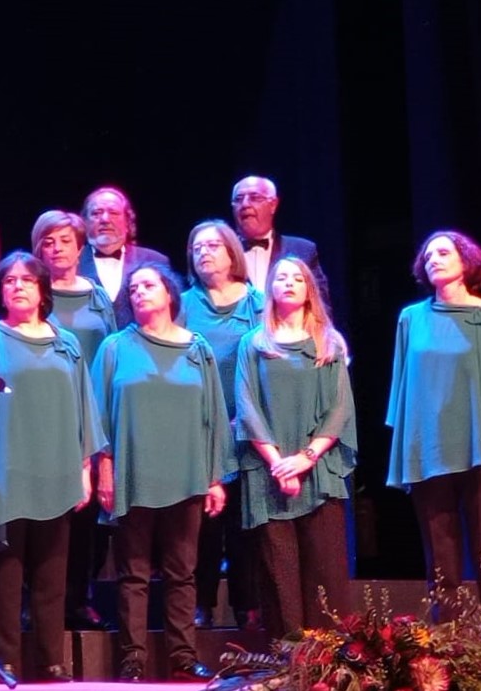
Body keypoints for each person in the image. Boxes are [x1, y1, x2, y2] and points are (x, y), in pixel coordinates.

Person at [0, 252, 105, 683]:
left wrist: (85, 468)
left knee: (52, 572)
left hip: (57, 467)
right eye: (9, 281)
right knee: (6, 571)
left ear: (43, 290)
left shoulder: (67, 344)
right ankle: (3, 658)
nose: (18, 286)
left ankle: (51, 659)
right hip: (7, 470)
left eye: (26, 280)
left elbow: (84, 407)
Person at [92, 263, 232, 682]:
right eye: (133, 288)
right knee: (133, 572)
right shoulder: (115, 348)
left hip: (186, 473)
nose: (139, 292)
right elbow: (97, 415)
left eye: (148, 285)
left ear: (170, 294)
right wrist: (104, 468)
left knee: (182, 572)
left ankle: (183, 658)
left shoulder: (198, 349)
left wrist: (214, 477)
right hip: (134, 472)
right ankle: (132, 658)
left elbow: (214, 415)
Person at [386, 230, 481, 613]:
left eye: (443, 253)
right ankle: (447, 633)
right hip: (429, 446)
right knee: (440, 553)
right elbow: (401, 387)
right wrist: (403, 444)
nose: (433, 259)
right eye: (428, 256)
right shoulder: (410, 319)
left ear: (466, 262)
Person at [234, 256, 355, 639]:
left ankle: (328, 660)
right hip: (269, 473)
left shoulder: (328, 343)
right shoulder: (253, 343)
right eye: (281, 277)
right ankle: (289, 659)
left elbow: (340, 409)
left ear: (308, 290)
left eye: (297, 278)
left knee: (325, 575)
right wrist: (278, 464)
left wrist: (305, 459)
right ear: (269, 288)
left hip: (319, 470)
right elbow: (247, 406)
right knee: (279, 578)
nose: (288, 283)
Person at [178, 219, 264, 630]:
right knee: (204, 523)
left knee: (245, 521)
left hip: (249, 426)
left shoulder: (258, 303)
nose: (204, 253)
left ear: (232, 253)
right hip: (200, 427)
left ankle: (249, 606)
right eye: (196, 248)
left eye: (212, 245)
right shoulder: (183, 305)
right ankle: (203, 604)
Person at [32, 209, 116, 630]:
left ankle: (79, 598)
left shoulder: (98, 298)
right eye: (48, 242)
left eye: (65, 241)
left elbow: (113, 352)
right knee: (41, 510)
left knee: (84, 513)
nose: (57, 249)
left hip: (89, 414)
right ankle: (38, 600)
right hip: (41, 414)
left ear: (81, 248)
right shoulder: (31, 293)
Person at [76, 187, 168, 327]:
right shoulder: (71, 262)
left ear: (128, 222)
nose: (105, 219)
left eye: (113, 213)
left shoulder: (154, 260)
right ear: (84, 223)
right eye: (96, 213)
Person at [230, 176, 328, 303]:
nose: (245, 204)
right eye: (238, 199)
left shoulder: (302, 250)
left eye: (254, 198)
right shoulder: (223, 253)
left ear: (273, 205)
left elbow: (320, 304)